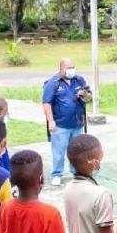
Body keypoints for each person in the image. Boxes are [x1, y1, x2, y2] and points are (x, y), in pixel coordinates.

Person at [43, 58, 92, 186]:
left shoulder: (79, 80)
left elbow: (89, 98)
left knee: (77, 150)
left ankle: (76, 172)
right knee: (59, 151)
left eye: (73, 67)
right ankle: (57, 174)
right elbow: (46, 103)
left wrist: (84, 94)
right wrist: (51, 121)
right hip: (61, 124)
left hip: (77, 123)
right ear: (61, 69)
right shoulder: (53, 83)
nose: (71, 70)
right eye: (68, 67)